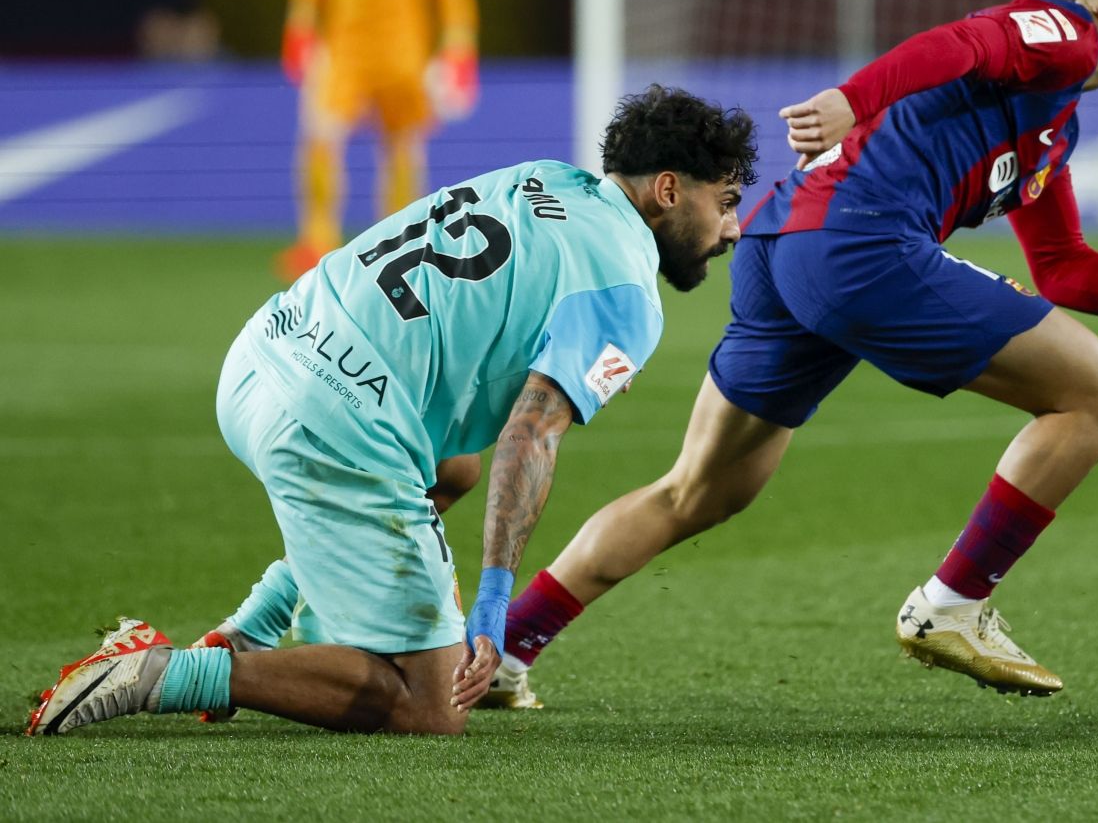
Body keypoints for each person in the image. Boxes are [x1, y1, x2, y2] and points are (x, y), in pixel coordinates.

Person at [487, 0, 1098, 706]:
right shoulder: (1064, 34)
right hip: (858, 237)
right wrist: (847, 100)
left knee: (699, 489)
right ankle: (952, 603)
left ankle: (506, 649)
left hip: (780, 245)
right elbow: (962, 43)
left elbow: (1063, 266)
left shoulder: (1054, 125)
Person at [26, 87, 754, 736]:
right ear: (667, 189)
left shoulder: (545, 176)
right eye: (724, 202)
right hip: (333, 423)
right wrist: (495, 604)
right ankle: (164, 672)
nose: (733, 229)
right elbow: (529, 436)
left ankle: (250, 629)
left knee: (452, 466)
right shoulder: (626, 289)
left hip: (259, 357)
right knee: (428, 705)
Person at [278, 0, 479, 280]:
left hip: (403, 50)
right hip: (345, 46)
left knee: (404, 145)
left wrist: (459, 50)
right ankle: (317, 239)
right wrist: (300, 25)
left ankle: (401, 239)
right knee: (320, 132)